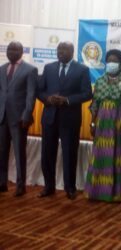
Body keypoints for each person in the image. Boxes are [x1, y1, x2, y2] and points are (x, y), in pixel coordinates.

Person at [37, 41, 92, 200]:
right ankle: (49, 187)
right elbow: (39, 90)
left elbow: (87, 93)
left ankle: (70, 188)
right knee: (47, 154)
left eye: (64, 49)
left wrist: (67, 100)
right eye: (58, 49)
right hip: (49, 118)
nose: (60, 52)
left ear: (72, 51)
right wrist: (48, 99)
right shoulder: (49, 68)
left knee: (69, 154)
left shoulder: (82, 70)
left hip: (70, 120)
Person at [84, 49, 121, 202]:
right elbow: (94, 105)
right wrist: (93, 123)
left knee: (119, 155)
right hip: (102, 125)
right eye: (109, 61)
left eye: (114, 61)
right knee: (102, 155)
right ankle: (98, 191)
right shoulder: (100, 81)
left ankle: (119, 193)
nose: (111, 64)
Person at [0, 41, 38, 196]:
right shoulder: (2, 69)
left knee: (19, 152)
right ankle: (2, 183)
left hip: (19, 119)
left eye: (15, 49)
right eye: (9, 49)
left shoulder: (30, 70)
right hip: (2, 117)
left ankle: (20, 185)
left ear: (22, 51)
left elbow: (31, 95)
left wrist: (27, 115)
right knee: (1, 152)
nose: (11, 52)